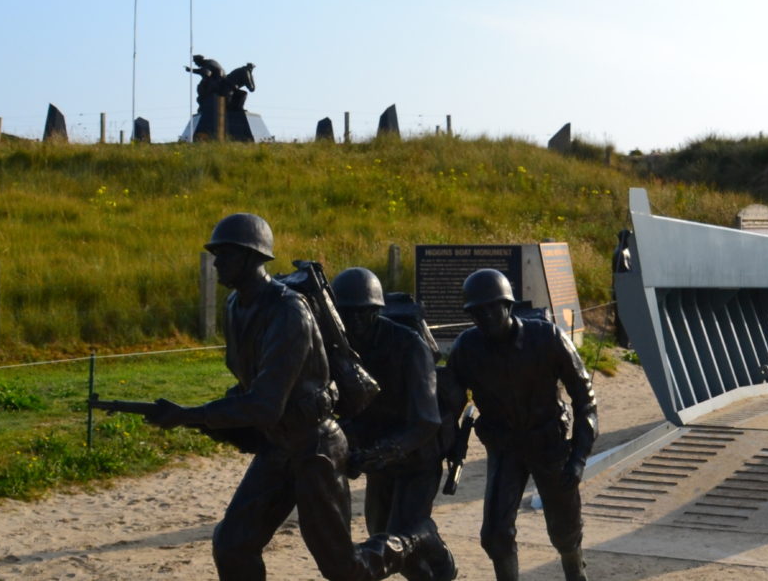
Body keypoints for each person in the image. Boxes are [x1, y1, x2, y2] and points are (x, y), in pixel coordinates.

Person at [144, 214, 410, 581]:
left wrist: (192, 414)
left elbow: (266, 402)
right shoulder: (235, 307)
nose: (216, 262)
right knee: (232, 543)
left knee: (342, 567)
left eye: (225, 254)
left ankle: (407, 544)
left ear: (252, 258)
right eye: (216, 254)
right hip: (278, 444)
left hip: (315, 445)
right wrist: (204, 419)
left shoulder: (289, 311)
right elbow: (248, 385)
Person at [445, 269, 598, 581]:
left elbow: (585, 399)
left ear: (508, 306)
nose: (484, 316)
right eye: (477, 311)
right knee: (495, 534)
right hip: (505, 449)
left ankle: (575, 573)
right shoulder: (466, 348)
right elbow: (448, 404)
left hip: (550, 445)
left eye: (491, 308)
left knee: (565, 530)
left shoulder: (547, 338)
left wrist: (579, 457)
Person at [332, 267, 458, 581]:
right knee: (381, 533)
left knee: (401, 537)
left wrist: (386, 451)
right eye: (347, 314)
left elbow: (426, 420)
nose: (355, 321)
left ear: (377, 311)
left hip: (417, 454)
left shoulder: (409, 345)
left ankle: (442, 562)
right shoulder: (340, 347)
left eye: (364, 313)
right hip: (379, 457)